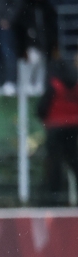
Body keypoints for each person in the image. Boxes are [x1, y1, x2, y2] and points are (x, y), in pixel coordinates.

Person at [37, 59, 78, 206]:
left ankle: (55, 196)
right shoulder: (76, 85)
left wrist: (45, 119)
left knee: (54, 163)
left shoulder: (54, 85)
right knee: (74, 161)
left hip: (55, 127)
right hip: (74, 127)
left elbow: (42, 107)